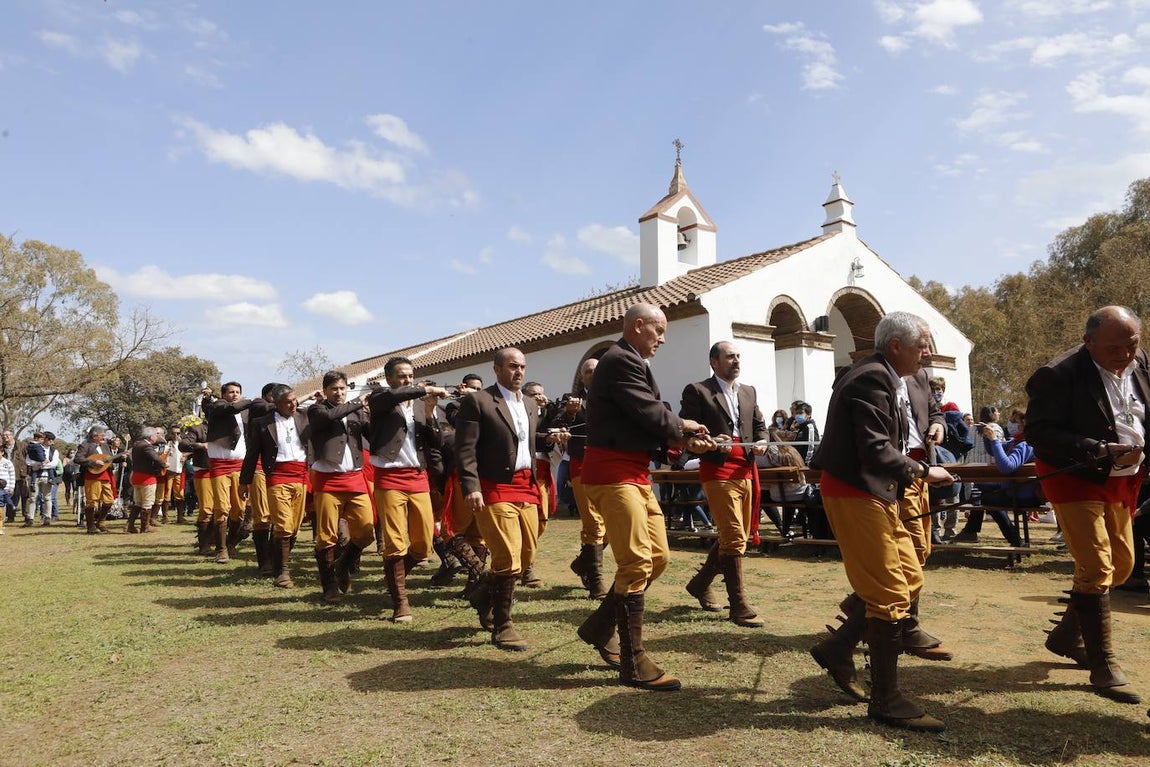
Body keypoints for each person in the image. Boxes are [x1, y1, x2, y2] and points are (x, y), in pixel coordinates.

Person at [808, 310, 955, 732]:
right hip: (856, 492)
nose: (927, 353)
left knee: (908, 576)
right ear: (896, 346)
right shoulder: (870, 378)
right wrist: (925, 471)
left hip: (876, 491)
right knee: (890, 589)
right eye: (922, 345)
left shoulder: (886, 375)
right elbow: (874, 447)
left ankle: (838, 648)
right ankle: (886, 699)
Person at [575, 303, 708, 692]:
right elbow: (648, 410)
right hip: (613, 474)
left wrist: (682, 439)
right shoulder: (619, 360)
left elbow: (642, 417)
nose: (663, 339)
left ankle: (601, 626)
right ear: (638, 326)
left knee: (657, 558)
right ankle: (633, 663)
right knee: (636, 562)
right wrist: (682, 426)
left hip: (632, 472)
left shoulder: (629, 360)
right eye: (659, 330)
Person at [1026, 305, 1145, 706]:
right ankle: (1103, 665)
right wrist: (1097, 449)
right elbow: (1039, 433)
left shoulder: (1141, 361)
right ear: (1087, 342)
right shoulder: (1056, 375)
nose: (1125, 355)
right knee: (1096, 566)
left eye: (1132, 344)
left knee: (1123, 566)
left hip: (1125, 478)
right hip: (1074, 474)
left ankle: (1066, 635)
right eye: (1114, 348)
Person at [455, 348, 552, 651]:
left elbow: (524, 441)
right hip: (493, 486)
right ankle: (503, 625)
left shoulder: (531, 404)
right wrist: (471, 485)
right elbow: (465, 448)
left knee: (525, 556)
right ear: (496, 369)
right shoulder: (478, 400)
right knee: (507, 556)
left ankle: (483, 594)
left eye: (522, 367)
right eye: (512, 366)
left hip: (526, 484)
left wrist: (550, 438)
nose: (519, 372)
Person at [679, 340, 769, 628]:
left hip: (746, 468)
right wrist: (711, 443)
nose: (737, 361)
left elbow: (759, 426)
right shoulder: (698, 390)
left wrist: (763, 442)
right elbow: (688, 430)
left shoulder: (749, 391)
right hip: (717, 469)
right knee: (733, 537)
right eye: (730, 356)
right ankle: (739, 605)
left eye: (738, 356)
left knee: (737, 537)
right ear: (714, 362)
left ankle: (700, 583)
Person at [366, 358, 449, 622]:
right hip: (389, 478)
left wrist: (431, 412)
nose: (408, 380)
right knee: (395, 543)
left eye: (411, 376)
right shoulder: (380, 398)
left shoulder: (418, 406)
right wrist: (425, 390)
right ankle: (400, 602)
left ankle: (393, 576)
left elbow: (435, 441)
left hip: (417, 477)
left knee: (424, 544)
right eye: (402, 376)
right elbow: (395, 396)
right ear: (389, 378)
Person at [307, 371, 373, 605]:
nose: (339, 392)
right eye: (334, 388)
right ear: (325, 391)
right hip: (327, 480)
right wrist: (356, 403)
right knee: (326, 536)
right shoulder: (317, 410)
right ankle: (329, 585)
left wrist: (376, 413)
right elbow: (327, 418)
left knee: (366, 532)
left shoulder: (356, 411)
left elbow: (371, 435)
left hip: (355, 478)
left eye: (343, 388)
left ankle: (343, 563)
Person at [241, 384, 311, 589]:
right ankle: (282, 572)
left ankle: (278, 561)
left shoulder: (305, 417)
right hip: (277, 477)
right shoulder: (262, 423)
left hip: (301, 476)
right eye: (288, 401)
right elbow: (252, 453)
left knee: (295, 527)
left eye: (295, 400)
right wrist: (245, 481)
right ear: (277, 403)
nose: (293, 404)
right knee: (283, 524)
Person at [554, 358, 609, 599]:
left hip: (609, 466)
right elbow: (555, 426)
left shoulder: (614, 397)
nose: (594, 374)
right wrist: (569, 412)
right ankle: (596, 581)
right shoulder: (571, 399)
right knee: (594, 523)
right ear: (582, 377)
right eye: (589, 371)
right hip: (582, 465)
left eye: (598, 370)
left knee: (613, 525)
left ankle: (582, 562)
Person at [202, 382, 255, 564]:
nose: (235, 395)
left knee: (239, 509)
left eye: (238, 392)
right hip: (219, 466)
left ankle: (231, 543)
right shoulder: (218, 406)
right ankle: (221, 549)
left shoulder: (246, 413)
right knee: (222, 507)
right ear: (223, 394)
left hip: (240, 465)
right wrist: (251, 401)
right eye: (231, 392)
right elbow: (229, 407)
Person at [73, 427, 127, 534]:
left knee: (109, 500)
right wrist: (93, 462)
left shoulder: (105, 445)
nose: (104, 437)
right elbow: (78, 458)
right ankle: (90, 525)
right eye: (102, 435)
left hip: (106, 475)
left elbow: (109, 458)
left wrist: (122, 457)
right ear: (95, 436)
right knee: (92, 501)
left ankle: (101, 521)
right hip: (92, 476)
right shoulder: (85, 445)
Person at [128, 427, 168, 534]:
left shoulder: (137, 445)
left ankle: (130, 525)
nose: (156, 437)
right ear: (151, 437)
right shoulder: (147, 446)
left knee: (138, 502)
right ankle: (145, 527)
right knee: (147, 502)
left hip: (136, 476)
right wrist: (164, 464)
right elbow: (155, 458)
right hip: (147, 478)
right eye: (155, 435)